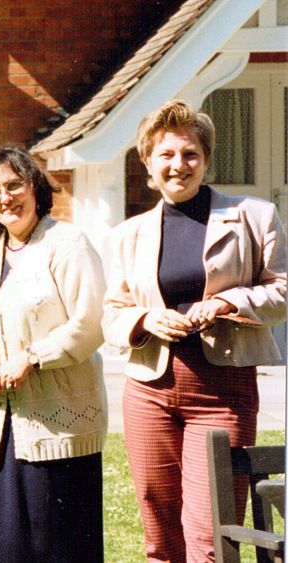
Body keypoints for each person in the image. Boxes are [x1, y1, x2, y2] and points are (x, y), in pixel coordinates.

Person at [103, 100, 287, 563]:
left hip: (223, 391)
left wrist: (228, 301)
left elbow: (283, 292)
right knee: (158, 527)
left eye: (189, 154)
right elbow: (111, 313)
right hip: (149, 389)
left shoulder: (254, 216)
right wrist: (145, 320)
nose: (178, 165)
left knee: (212, 530)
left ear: (205, 159)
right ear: (147, 165)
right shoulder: (129, 234)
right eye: (165, 155)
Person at [0, 146, 108, 562]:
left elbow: (92, 322)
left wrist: (34, 356)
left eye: (14, 185)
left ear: (35, 187)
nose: (6, 197)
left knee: (60, 550)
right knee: (3, 550)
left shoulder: (67, 242)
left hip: (59, 429)